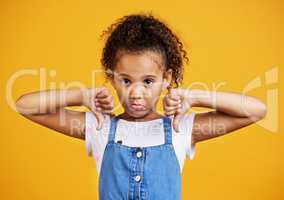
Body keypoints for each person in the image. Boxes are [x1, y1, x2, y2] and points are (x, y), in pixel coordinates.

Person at [15, 13, 267, 200]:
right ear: (112, 77)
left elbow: (257, 110)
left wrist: (194, 97)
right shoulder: (99, 127)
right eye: (126, 80)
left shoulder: (181, 128)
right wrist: (81, 96)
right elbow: (25, 105)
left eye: (148, 81)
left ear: (166, 79)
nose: (136, 93)